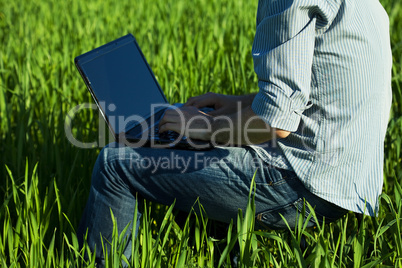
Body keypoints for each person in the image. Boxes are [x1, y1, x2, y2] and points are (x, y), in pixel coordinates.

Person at [77, 0, 392, 265]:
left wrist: (205, 126)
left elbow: (277, 123)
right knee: (193, 134)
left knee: (115, 163)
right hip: (351, 179)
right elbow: (311, 94)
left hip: (303, 182)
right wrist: (233, 105)